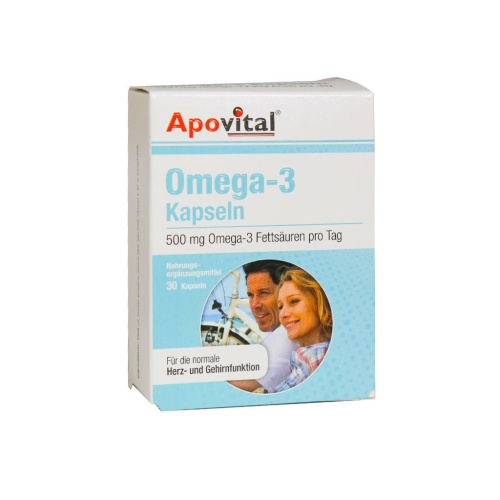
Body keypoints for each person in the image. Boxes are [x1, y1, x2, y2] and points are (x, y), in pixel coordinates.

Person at [228, 260, 298, 393]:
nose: (254, 305)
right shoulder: (279, 331)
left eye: (263, 293)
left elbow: (249, 383)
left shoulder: (286, 334)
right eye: (250, 295)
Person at [274, 268, 333, 392]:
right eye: (280, 306)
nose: (283, 314)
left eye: (294, 301)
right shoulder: (307, 356)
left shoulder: (317, 355)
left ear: (319, 301)